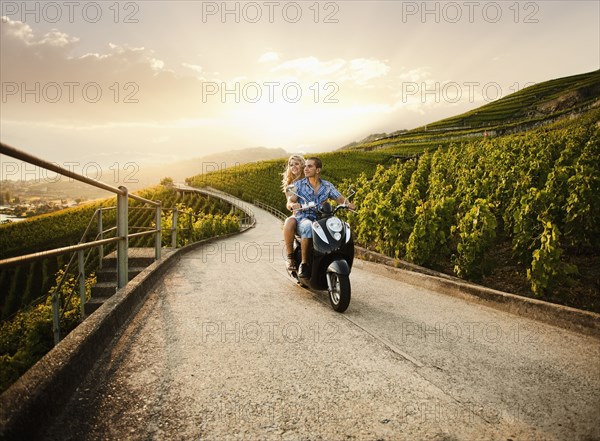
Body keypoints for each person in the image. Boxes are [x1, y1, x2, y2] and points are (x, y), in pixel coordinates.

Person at [287, 157, 355, 278]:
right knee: (308, 226)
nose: (305, 169)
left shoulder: (327, 186)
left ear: (318, 170)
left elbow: (340, 198)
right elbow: (290, 201)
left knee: (340, 226)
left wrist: (348, 204)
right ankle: (304, 263)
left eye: (309, 166)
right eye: (305, 166)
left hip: (322, 220)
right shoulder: (298, 185)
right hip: (303, 219)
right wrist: (293, 205)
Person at [282, 154, 306, 271]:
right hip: (299, 214)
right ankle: (290, 257)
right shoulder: (290, 185)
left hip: (315, 212)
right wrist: (292, 205)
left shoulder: (310, 179)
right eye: (291, 165)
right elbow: (289, 202)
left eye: (296, 164)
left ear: (302, 165)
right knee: (289, 222)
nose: (294, 167)